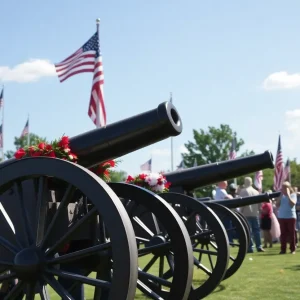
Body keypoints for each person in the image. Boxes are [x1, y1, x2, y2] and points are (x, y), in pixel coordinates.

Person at [239, 177, 264, 253]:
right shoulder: (256, 192)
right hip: (255, 213)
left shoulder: (243, 191)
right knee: (256, 231)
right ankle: (259, 246)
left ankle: (250, 247)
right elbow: (260, 204)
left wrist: (240, 212)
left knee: (248, 231)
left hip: (246, 213)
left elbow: (241, 203)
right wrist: (259, 210)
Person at [276, 181, 297, 254]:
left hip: (291, 216)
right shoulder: (281, 196)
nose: (283, 189)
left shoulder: (293, 195)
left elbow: (292, 204)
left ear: (289, 188)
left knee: (292, 234)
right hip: (282, 216)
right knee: (283, 234)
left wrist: (288, 195)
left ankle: (292, 249)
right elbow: (277, 205)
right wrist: (281, 196)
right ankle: (283, 249)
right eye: (282, 188)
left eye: (285, 187)